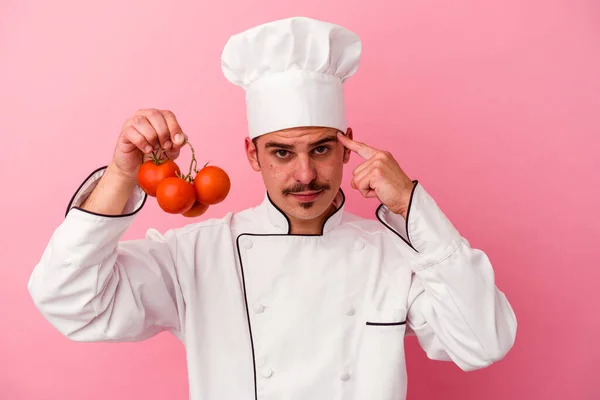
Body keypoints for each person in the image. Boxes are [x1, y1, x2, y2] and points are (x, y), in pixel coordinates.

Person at [27, 16, 517, 400]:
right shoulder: (196, 256)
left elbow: (483, 340)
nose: (304, 175)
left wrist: (414, 207)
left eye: (321, 149)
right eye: (282, 152)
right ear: (252, 155)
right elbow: (69, 301)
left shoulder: (393, 256)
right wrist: (121, 173)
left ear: (349, 147)